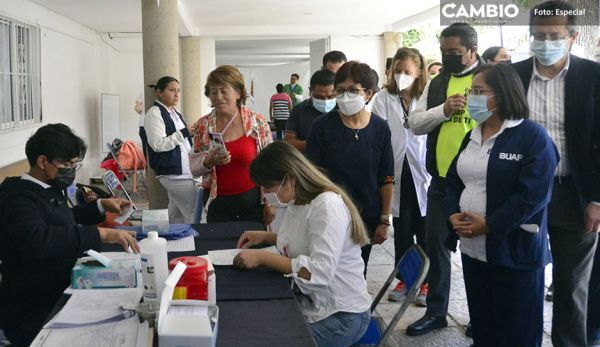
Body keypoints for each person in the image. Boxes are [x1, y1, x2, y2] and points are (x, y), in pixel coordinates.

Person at [445, 63, 558, 347]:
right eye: (471, 91)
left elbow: (533, 195)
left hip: (513, 251)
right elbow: (453, 182)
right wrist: (452, 216)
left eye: (479, 91)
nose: (472, 97)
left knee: (516, 332)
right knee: (484, 328)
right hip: (473, 251)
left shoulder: (532, 137)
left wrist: (489, 225)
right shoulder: (472, 134)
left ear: (504, 95)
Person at [0, 124, 140, 346]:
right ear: (42, 161)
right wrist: (99, 234)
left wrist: (102, 205)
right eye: (66, 164)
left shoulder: (48, 187)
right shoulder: (18, 198)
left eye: (75, 164)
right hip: (35, 306)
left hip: (61, 287)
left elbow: (65, 218)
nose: (71, 171)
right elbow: (39, 239)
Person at [511, 1, 600, 345]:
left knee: (571, 285)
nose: (545, 43)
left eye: (555, 36)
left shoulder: (593, 78)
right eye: (539, 35)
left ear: (573, 37)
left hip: (574, 195)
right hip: (521, 194)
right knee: (520, 278)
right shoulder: (513, 77)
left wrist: (596, 198)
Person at [233, 141, 371, 347]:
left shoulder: (326, 206)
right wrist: (265, 237)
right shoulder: (298, 200)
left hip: (343, 315)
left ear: (290, 178)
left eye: (269, 187)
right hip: (315, 303)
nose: (266, 194)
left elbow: (319, 273)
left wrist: (263, 257)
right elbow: (300, 241)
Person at [406, 22, 485, 336]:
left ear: (472, 51)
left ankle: (480, 317)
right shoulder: (438, 82)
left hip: (480, 183)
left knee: (477, 253)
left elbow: (498, 120)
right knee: (436, 246)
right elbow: (415, 123)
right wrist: (443, 110)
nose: (449, 57)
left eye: (455, 52)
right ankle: (436, 313)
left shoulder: (488, 79)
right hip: (441, 182)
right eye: (444, 52)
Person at [305, 61, 394, 271]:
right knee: (326, 270)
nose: (345, 96)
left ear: (368, 93)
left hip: (367, 215)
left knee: (357, 272)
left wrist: (384, 220)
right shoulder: (322, 126)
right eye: (340, 90)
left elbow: (386, 176)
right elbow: (311, 175)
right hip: (330, 215)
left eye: (353, 90)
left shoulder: (380, 127)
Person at [371, 47, 431, 306]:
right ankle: (405, 280)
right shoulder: (384, 97)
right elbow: (378, 130)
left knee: (426, 232)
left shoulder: (428, 96)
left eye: (407, 71)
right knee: (403, 232)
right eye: (397, 71)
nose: (401, 76)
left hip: (423, 172)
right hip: (396, 171)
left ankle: (427, 283)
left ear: (418, 72)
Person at [191, 65, 274, 225]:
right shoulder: (203, 125)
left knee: (252, 247)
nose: (218, 96)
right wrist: (209, 163)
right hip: (216, 202)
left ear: (238, 92)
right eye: (213, 92)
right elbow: (194, 169)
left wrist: (271, 203)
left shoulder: (257, 122)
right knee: (217, 248)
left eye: (224, 90)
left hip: (252, 201)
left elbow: (271, 165)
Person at [145, 76, 197, 224]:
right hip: (173, 173)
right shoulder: (154, 113)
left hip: (184, 170)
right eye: (172, 90)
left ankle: (174, 243)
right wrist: (184, 132)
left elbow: (183, 141)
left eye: (178, 91)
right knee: (193, 211)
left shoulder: (175, 113)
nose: (176, 94)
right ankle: (197, 243)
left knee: (177, 215)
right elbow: (158, 144)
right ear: (160, 92)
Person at [284, 69, 337, 153]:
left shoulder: (342, 109)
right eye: (319, 97)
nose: (325, 101)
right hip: (308, 164)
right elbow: (288, 143)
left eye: (330, 97)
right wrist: (315, 143)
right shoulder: (299, 110)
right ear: (310, 90)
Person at [134, 91, 148, 158]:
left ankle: (147, 167)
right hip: (152, 125)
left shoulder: (142, 93)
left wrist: (142, 114)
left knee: (145, 150)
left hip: (142, 125)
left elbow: (137, 108)